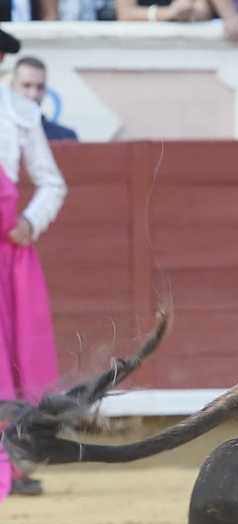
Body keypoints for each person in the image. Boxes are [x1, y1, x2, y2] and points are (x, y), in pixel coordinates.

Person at [0, 27, 67, 500]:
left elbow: (52, 184)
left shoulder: (19, 114)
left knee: (9, 357)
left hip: (5, 248)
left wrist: (29, 218)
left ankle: (11, 461)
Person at [11, 57, 78, 142]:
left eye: (40, 87)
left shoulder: (66, 137)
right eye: (26, 85)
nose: (33, 94)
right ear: (12, 87)